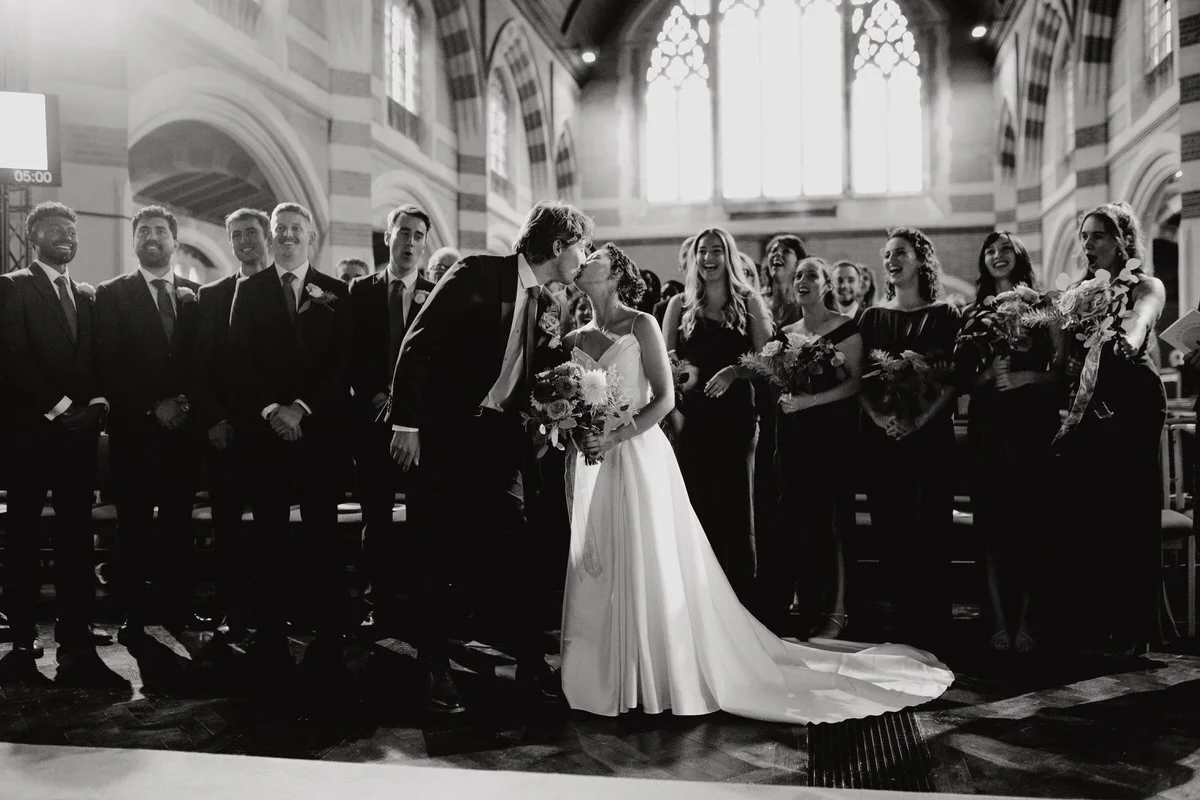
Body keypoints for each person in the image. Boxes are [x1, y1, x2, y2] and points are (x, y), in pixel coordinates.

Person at [563, 243, 953, 722]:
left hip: (638, 453)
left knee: (649, 557)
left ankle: (654, 670)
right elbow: (580, 399)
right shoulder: (574, 335)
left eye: (595, 255)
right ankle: (604, 671)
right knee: (599, 558)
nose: (584, 261)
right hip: (593, 459)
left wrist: (619, 434)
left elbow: (662, 399)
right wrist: (574, 427)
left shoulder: (642, 322)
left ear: (616, 270)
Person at [386, 200, 592, 715]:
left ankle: (528, 660)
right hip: (444, 437)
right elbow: (417, 345)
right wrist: (407, 424)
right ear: (557, 246)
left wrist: (558, 411)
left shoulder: (548, 302)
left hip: (499, 443)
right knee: (435, 553)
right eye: (580, 246)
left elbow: (536, 374)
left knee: (516, 551)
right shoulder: (479, 272)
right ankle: (434, 669)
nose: (583, 256)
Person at [0, 202, 127, 689]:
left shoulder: (86, 295)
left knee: (76, 541)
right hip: (30, 437)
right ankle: (23, 640)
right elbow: (13, 358)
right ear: (34, 238)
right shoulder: (12, 287)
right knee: (25, 541)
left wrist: (93, 404)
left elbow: (94, 358)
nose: (65, 237)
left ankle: (76, 639)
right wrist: (61, 407)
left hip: (76, 441)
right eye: (54, 230)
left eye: (71, 230)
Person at [227, 202, 354, 688]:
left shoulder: (336, 293)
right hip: (267, 436)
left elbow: (342, 364)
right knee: (270, 536)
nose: (286, 236)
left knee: (323, 534)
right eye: (279, 229)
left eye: (295, 230)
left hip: (319, 432)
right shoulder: (251, 289)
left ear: (311, 238)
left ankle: (327, 630)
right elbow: (238, 360)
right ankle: (272, 632)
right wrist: (271, 412)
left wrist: (300, 408)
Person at [1053, 202, 1168, 654]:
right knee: (1090, 512)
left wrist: (1127, 337)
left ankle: (1134, 629)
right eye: (1084, 237)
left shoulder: (1145, 283)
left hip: (1133, 400)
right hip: (1089, 402)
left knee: (1130, 512)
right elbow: (1062, 358)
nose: (1088, 245)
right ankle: (1092, 623)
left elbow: (1142, 318)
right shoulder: (1079, 291)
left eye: (1097, 235)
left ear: (1122, 240)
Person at [94, 205, 210, 644]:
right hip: (135, 432)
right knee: (135, 526)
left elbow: (203, 360)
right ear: (135, 241)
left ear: (174, 241)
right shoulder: (112, 293)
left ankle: (179, 608)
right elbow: (108, 359)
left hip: (182, 431)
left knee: (179, 523)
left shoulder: (196, 293)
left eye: (161, 231)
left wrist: (183, 404)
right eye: (144, 231)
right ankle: (135, 616)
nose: (152, 237)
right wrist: (151, 405)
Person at [954, 232, 1064, 654]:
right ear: (982, 261)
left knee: (1033, 524)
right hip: (990, 426)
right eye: (990, 250)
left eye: (1005, 250)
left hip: (1032, 425)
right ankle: (998, 620)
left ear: (1019, 258)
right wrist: (988, 374)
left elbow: (1064, 372)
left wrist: (1028, 377)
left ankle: (1030, 621)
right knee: (993, 526)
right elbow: (963, 380)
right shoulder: (972, 313)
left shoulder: (1043, 306)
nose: (997, 256)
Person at [858, 228, 960, 645]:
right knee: (891, 530)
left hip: (930, 439)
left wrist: (919, 421)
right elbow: (860, 381)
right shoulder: (872, 318)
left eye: (899, 252)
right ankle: (897, 624)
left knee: (930, 530)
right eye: (886, 255)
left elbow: (953, 378)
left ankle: (932, 625)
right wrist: (882, 420)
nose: (891, 260)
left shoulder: (945, 315)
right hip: (884, 439)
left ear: (921, 259)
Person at [757, 257, 863, 641]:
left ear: (827, 283)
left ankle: (837, 612)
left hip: (831, 435)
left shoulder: (845, 327)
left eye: (811, 275)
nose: (801, 280)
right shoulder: (785, 334)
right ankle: (807, 604)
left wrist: (808, 403)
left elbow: (854, 384)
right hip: (795, 438)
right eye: (798, 275)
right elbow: (777, 383)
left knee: (831, 523)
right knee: (798, 520)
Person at [663, 228, 771, 603]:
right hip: (690, 421)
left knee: (736, 511)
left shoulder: (749, 302)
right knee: (696, 508)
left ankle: (739, 601)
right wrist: (679, 391)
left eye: (716, 251)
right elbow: (665, 362)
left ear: (729, 256)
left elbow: (767, 361)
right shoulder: (680, 304)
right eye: (702, 251)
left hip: (735, 419)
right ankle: (698, 601)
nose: (708, 258)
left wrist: (734, 372)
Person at [348, 204, 436, 633]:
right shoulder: (360, 292)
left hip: (419, 427)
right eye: (404, 233)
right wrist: (376, 396)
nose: (411, 243)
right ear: (388, 237)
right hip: (371, 423)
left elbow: (437, 363)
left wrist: (410, 410)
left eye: (419, 236)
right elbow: (350, 357)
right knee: (376, 521)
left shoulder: (437, 293)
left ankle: (421, 606)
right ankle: (378, 604)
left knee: (422, 519)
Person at [194, 208, 272, 642]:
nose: (244, 240)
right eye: (236, 234)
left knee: (269, 527)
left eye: (251, 232)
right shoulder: (213, 295)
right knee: (226, 526)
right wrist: (214, 419)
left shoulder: (284, 291)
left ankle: (269, 609)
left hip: (271, 433)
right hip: (226, 431)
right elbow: (201, 366)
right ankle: (231, 609)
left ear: (267, 237)